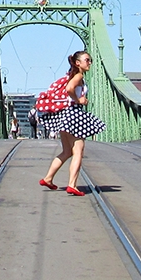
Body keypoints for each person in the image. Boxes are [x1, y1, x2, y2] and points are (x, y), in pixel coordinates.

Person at [38, 51, 105, 195]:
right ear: (77, 63)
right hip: (74, 115)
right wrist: (79, 100)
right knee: (78, 151)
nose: (90, 63)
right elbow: (69, 89)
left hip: (64, 115)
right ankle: (72, 185)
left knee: (67, 151)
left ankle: (48, 178)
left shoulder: (70, 76)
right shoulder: (78, 76)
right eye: (87, 60)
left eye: (90, 60)